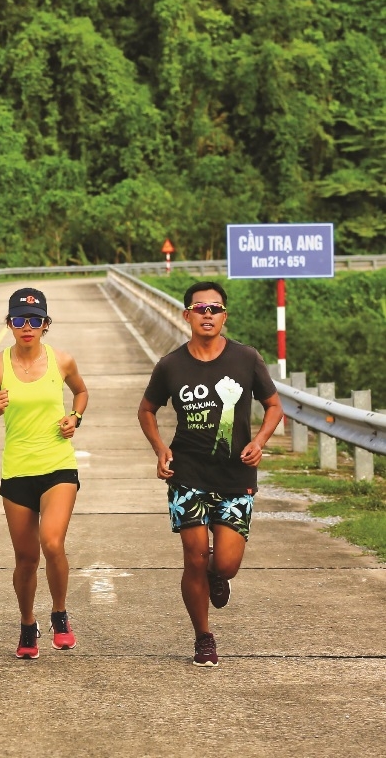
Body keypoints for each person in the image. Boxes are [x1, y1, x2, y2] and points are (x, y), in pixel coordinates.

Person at [137, 280, 283, 668]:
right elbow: (146, 411)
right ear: (186, 315)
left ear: (224, 316)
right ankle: (203, 637)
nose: (208, 315)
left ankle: (220, 573)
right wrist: (160, 449)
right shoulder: (171, 365)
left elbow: (273, 406)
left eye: (215, 309)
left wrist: (261, 441)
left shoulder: (246, 358)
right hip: (187, 474)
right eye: (200, 309)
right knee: (194, 557)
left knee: (226, 564)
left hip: (235, 476)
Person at [0, 288, 89, 660]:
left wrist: (75, 418)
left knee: (51, 542)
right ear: (9, 324)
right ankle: (27, 623)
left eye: (34, 321)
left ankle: (59, 614)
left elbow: (81, 393)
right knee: (25, 558)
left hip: (58, 466)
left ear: (45, 325)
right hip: (17, 471)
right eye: (19, 320)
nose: (27, 327)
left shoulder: (62, 361)